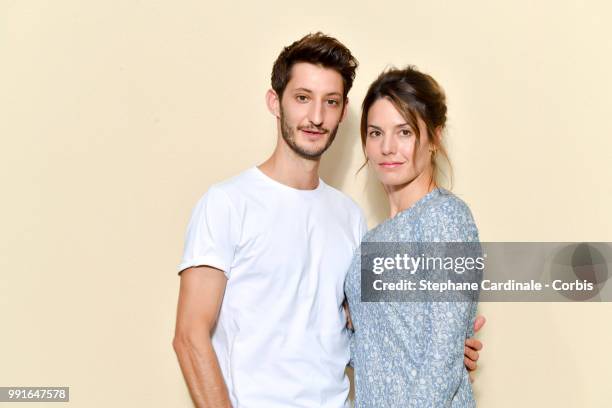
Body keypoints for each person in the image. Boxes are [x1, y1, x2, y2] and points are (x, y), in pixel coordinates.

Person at [172, 33, 483, 408]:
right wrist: (441, 349)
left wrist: (448, 349)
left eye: (330, 102)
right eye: (302, 98)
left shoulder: (351, 219)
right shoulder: (227, 203)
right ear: (276, 102)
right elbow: (190, 335)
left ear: (342, 111)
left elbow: (356, 336)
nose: (316, 117)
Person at [344, 66, 480, 407]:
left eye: (403, 132)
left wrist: (453, 350)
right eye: (375, 133)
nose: (387, 147)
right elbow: (370, 351)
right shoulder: (369, 243)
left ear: (434, 137)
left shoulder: (445, 218)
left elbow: (441, 360)